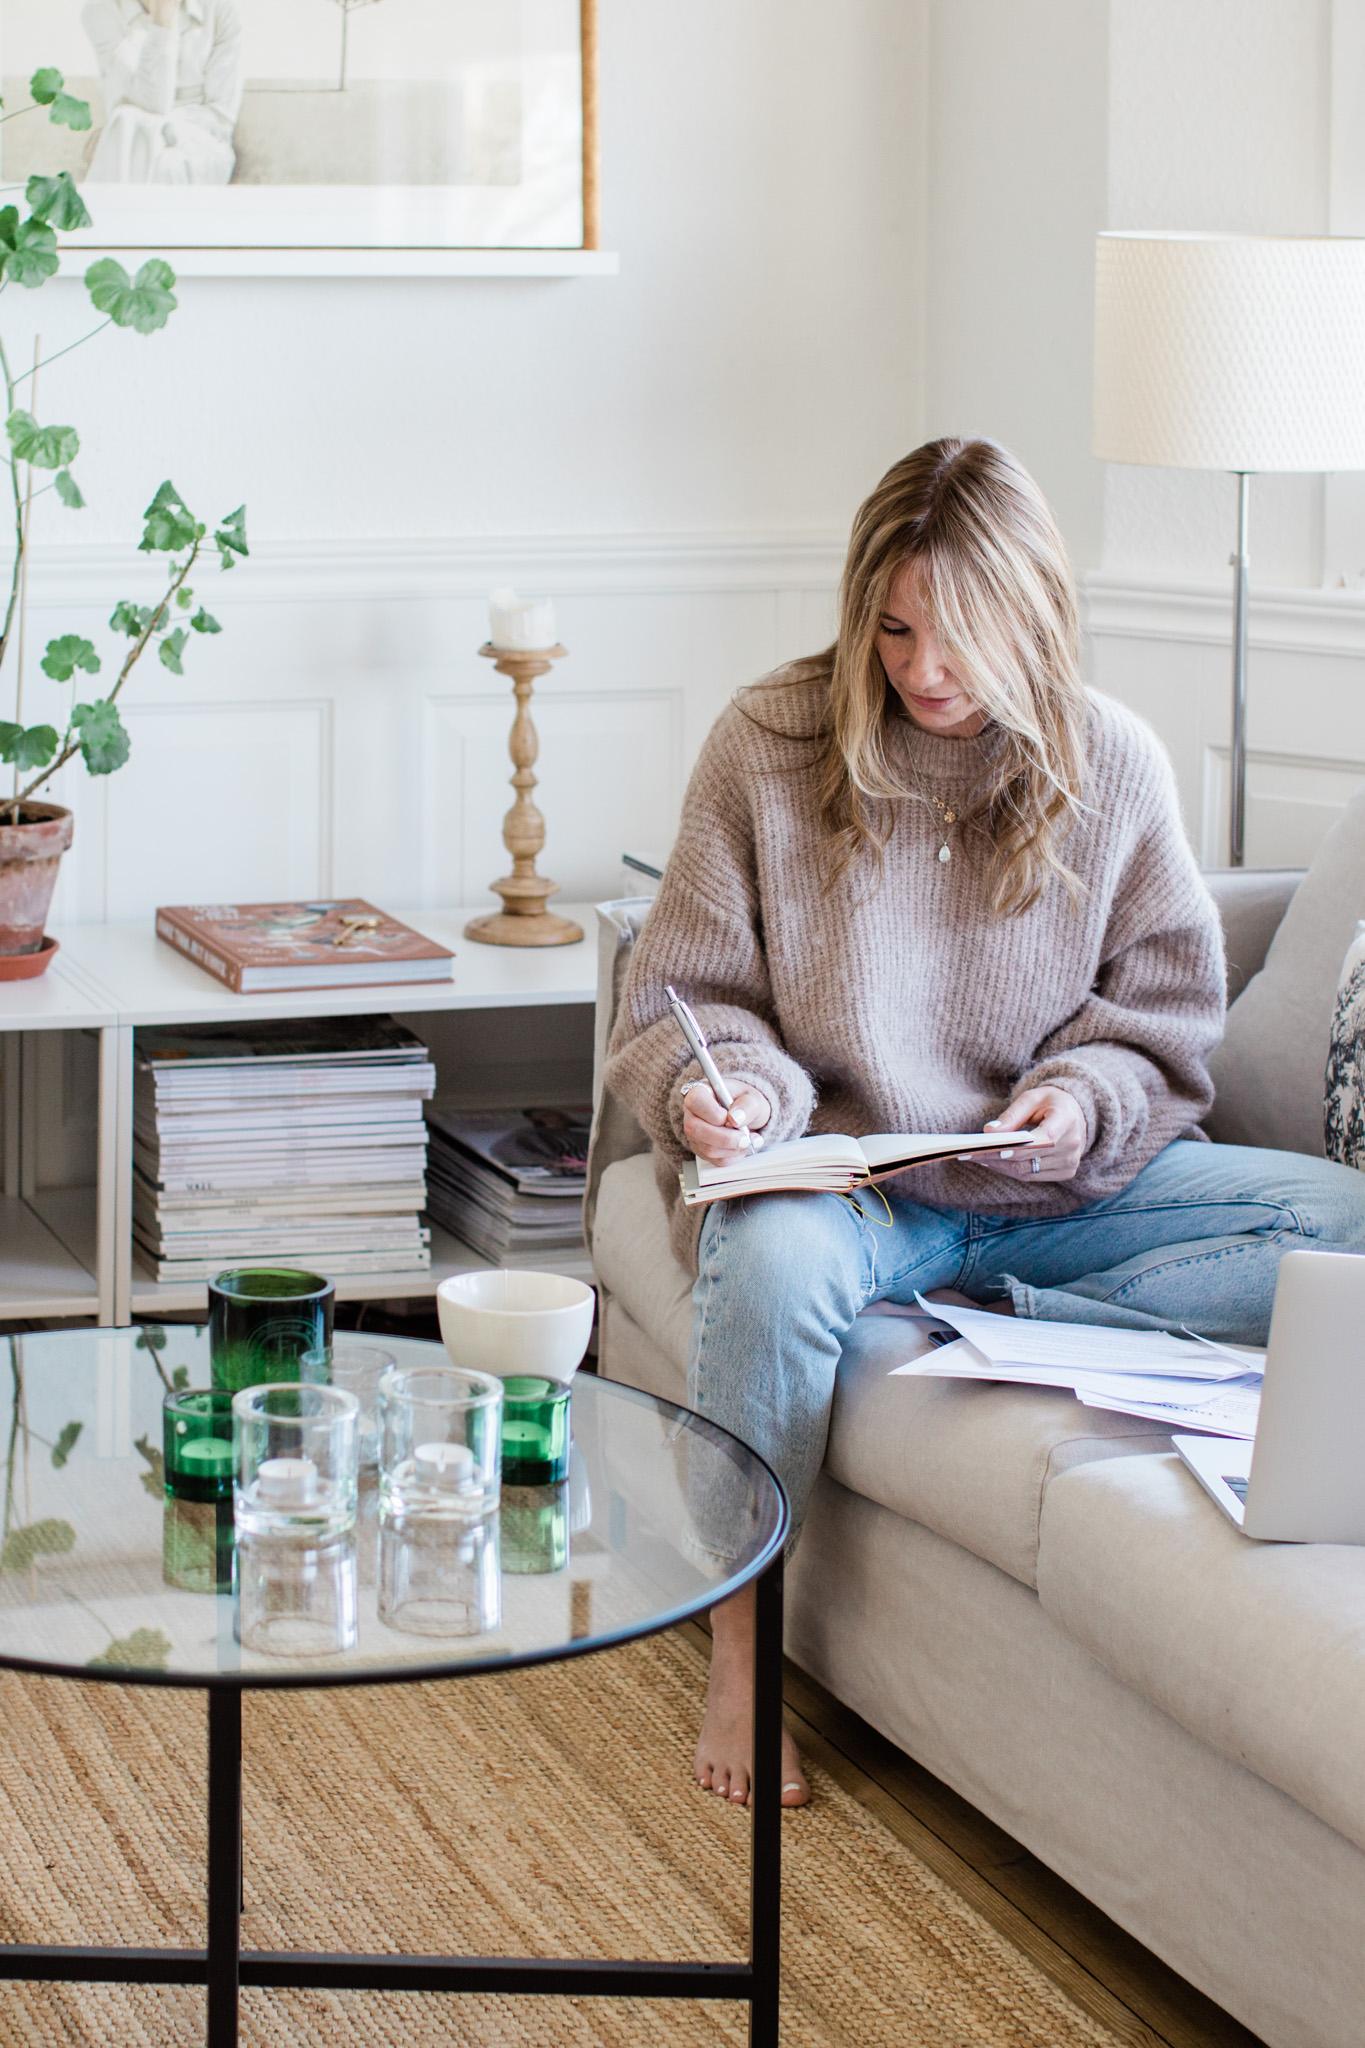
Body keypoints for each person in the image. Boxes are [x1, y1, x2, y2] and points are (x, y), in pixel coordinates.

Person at [604, 438, 1365, 1810]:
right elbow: (679, 998)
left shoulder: (1111, 763)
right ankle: (742, 1642)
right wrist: (734, 1099)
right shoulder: (768, 745)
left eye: (956, 634)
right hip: (842, 1187)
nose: (921, 669)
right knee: (769, 1275)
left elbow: (1164, 1014)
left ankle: (992, 1297)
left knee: (1340, 1224)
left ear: (1030, 613)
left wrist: (1078, 1103)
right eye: (891, 628)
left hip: (1052, 1191)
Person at [83, 0, 243, 185]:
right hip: (132, 142)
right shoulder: (102, 11)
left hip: (201, 144)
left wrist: (155, 129)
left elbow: (220, 118)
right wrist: (162, 24)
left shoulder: (220, 9)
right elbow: (154, 100)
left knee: (144, 143)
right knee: (129, 125)